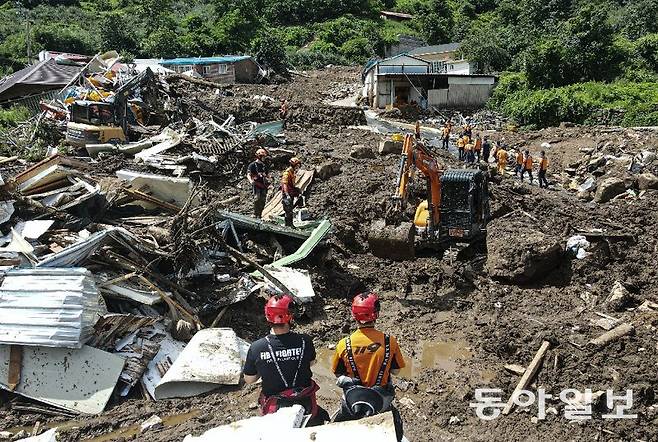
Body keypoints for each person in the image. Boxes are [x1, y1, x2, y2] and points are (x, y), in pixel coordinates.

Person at [243, 295, 328, 424]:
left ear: (267, 317)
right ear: (290, 316)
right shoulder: (305, 341)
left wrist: (265, 366)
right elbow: (311, 362)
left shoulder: (256, 347)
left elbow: (249, 380)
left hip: (275, 406)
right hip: (306, 403)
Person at [331, 293, 406, 427]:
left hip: (353, 402)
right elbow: (396, 371)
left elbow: (337, 373)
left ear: (354, 316)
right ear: (375, 314)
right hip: (381, 402)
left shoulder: (343, 344)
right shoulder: (390, 342)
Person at [246, 148, 270, 218]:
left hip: (263, 185)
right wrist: (251, 181)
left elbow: (267, 175)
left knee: (263, 200)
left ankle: (260, 214)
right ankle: (255, 213)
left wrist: (269, 179)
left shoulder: (264, 166)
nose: (264, 158)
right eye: (263, 157)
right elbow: (248, 174)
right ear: (259, 156)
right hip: (256, 184)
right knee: (257, 199)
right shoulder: (252, 165)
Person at [281, 157, 302, 228]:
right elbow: (285, 184)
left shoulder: (292, 172)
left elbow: (291, 184)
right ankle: (287, 225)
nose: (298, 166)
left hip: (291, 193)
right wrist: (287, 195)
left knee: (290, 209)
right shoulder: (287, 173)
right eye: (297, 165)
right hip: (287, 194)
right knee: (288, 210)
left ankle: (291, 224)